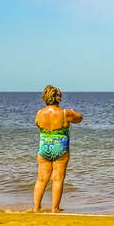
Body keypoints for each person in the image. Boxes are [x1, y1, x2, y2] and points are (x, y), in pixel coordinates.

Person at [33, 85, 83, 213]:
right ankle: (55, 208)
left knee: (41, 179)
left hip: (44, 146)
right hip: (60, 148)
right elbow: (79, 119)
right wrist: (73, 112)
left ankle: (36, 207)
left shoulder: (39, 113)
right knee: (58, 179)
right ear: (58, 98)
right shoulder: (66, 113)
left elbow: (37, 124)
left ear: (45, 98)